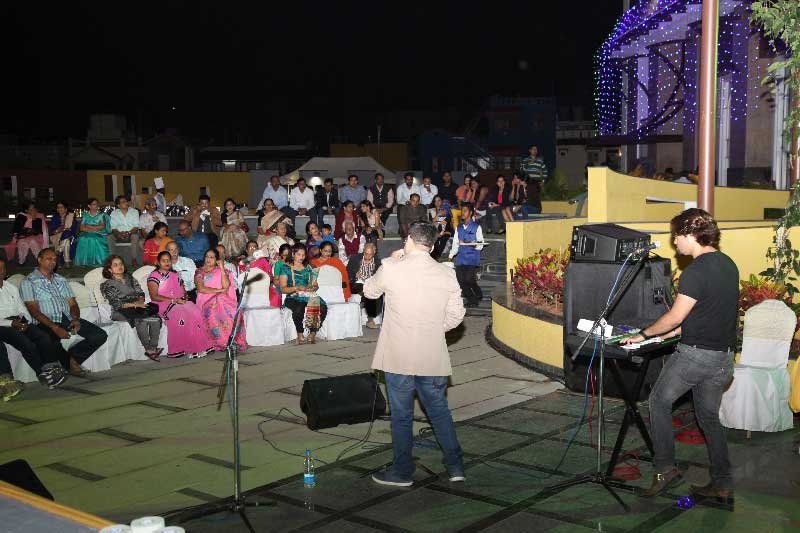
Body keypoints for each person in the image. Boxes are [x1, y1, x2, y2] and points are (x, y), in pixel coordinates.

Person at [622, 209, 738, 500]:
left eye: (677, 235)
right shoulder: (728, 264)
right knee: (709, 418)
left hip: (696, 357)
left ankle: (665, 469)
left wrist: (644, 335)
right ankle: (723, 483)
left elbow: (675, 316)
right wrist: (670, 333)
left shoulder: (695, 272)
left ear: (691, 234)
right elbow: (708, 313)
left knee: (658, 401)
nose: (674, 242)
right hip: (723, 358)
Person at [365, 222, 466, 487]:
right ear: (431, 247)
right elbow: (456, 316)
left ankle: (402, 473)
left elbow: (369, 291)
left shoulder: (391, 267)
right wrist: (433, 329)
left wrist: (391, 259)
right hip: (432, 355)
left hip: (398, 356)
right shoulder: (446, 273)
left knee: (401, 417)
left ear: (408, 240)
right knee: (440, 413)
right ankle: (456, 467)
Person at [21, 248, 108, 377]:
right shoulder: (29, 282)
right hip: (45, 321)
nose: (52, 262)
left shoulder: (60, 279)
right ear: (39, 260)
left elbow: (72, 303)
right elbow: (33, 310)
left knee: (99, 335)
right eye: (49, 259)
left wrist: (75, 319)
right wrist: (55, 327)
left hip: (66, 318)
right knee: (51, 341)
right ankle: (67, 366)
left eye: (55, 259)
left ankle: (72, 360)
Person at [0, 257, 66, 390]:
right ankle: (42, 374)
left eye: (2, 268)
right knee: (25, 342)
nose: (1, 271)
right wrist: (11, 323)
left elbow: (22, 308)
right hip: (3, 324)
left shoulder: (10, 287)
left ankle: (51, 369)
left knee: (42, 336)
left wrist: (24, 321)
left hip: (18, 320)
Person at [147, 251, 212, 358]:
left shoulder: (175, 274)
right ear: (158, 262)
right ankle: (184, 348)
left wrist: (185, 297)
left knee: (196, 311)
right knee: (182, 314)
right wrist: (174, 300)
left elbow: (183, 291)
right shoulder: (154, 276)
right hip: (163, 304)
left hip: (178, 301)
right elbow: (154, 296)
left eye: (168, 260)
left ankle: (204, 345)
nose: (167, 262)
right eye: (163, 260)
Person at [100, 255, 162, 361]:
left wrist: (140, 301)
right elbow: (116, 304)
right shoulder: (108, 284)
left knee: (155, 319)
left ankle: (153, 348)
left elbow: (140, 292)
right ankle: (148, 349)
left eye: (121, 264)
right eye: (115, 265)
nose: (119, 266)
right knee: (141, 320)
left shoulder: (130, 278)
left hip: (137, 307)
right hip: (120, 311)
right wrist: (135, 305)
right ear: (109, 269)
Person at [195, 248, 247, 352]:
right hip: (205, 301)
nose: (208, 259)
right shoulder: (200, 271)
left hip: (221, 299)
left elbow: (226, 286)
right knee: (217, 307)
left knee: (234, 309)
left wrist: (222, 268)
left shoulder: (222, 271)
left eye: (212, 257)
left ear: (216, 260)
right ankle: (223, 342)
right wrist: (218, 290)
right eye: (207, 257)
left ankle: (232, 339)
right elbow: (201, 288)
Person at [277, 244, 327, 345]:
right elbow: (283, 289)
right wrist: (296, 288)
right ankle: (300, 333)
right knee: (299, 308)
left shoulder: (308, 267)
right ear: (293, 254)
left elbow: (315, 284)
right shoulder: (286, 268)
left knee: (322, 307)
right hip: (293, 296)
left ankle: (313, 333)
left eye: (303, 255)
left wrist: (313, 287)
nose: (301, 257)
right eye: (299, 254)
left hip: (307, 295)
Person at [448, 203, 484, 307]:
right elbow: (455, 243)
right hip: (460, 258)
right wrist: (451, 255)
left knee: (468, 279)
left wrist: (471, 244)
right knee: (460, 280)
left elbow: (480, 244)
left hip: (472, 258)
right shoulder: (459, 228)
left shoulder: (477, 227)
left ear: (471, 213)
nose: (462, 213)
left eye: (465, 211)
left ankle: (476, 295)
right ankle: (474, 298)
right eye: (462, 211)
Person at [347, 242, 382, 329]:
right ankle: (370, 321)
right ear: (363, 251)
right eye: (365, 253)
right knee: (368, 291)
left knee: (369, 290)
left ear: (374, 253)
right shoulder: (354, 258)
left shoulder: (378, 262)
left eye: (370, 254)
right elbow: (347, 273)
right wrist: (354, 275)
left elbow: (381, 277)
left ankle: (367, 318)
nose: (367, 256)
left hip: (370, 285)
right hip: (357, 284)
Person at [239, 240, 281, 307]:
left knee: (274, 298)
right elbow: (242, 279)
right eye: (250, 247)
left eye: (254, 247)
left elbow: (270, 277)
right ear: (246, 250)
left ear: (257, 250)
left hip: (263, 288)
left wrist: (264, 278)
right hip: (249, 289)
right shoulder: (243, 263)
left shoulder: (262, 261)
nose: (252, 249)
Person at [7, 201, 49, 266]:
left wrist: (33, 222)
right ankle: (21, 261)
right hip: (23, 237)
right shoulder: (21, 216)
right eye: (30, 209)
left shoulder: (39, 217)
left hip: (36, 237)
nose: (32, 210)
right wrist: (26, 230)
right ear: (26, 210)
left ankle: (40, 261)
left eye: (33, 209)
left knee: (33, 242)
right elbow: (16, 229)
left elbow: (40, 230)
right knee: (22, 243)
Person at [74, 198, 110, 267]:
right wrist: (93, 229)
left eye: (97, 204)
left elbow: (102, 227)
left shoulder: (101, 215)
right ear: (89, 206)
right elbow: (81, 228)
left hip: (99, 233)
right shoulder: (85, 215)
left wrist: (89, 226)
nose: (96, 206)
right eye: (94, 204)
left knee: (93, 238)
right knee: (82, 239)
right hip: (87, 233)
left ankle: (97, 261)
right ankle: (83, 262)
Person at [108, 195, 141, 267]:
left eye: (126, 201)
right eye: (123, 202)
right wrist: (118, 234)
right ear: (118, 205)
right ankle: (112, 259)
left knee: (135, 236)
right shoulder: (114, 213)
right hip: (118, 235)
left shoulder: (134, 212)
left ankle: (134, 259)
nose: (126, 203)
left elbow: (136, 227)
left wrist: (128, 233)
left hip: (131, 234)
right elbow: (113, 228)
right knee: (110, 237)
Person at [49, 202, 78, 266]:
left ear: (66, 209)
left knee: (66, 235)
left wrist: (64, 230)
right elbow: (52, 231)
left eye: (61, 207)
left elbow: (73, 229)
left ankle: (59, 250)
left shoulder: (71, 216)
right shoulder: (55, 217)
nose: (59, 209)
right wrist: (58, 230)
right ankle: (67, 262)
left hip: (70, 236)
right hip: (56, 236)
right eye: (58, 207)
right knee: (66, 241)